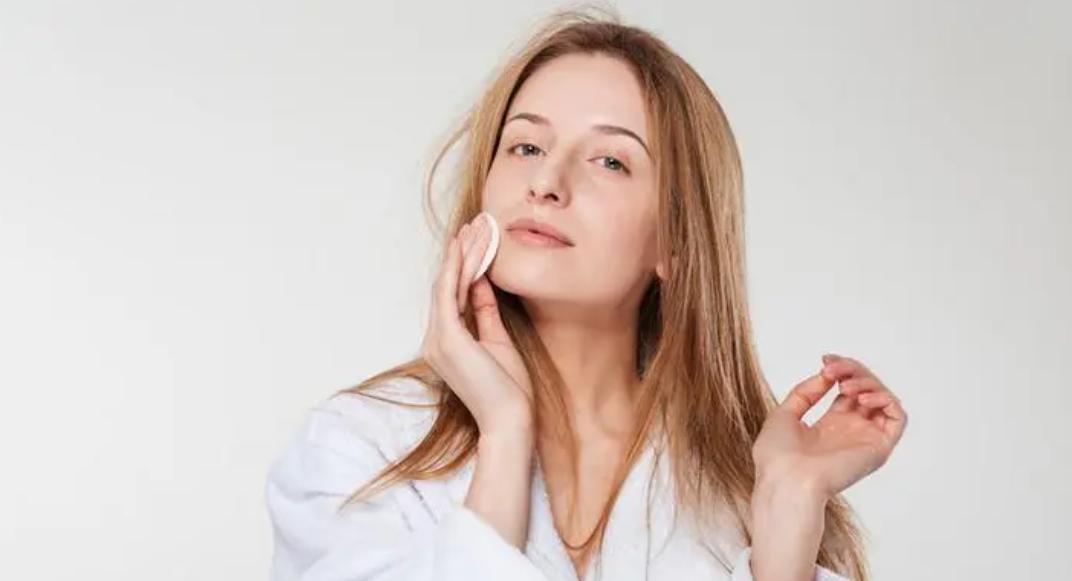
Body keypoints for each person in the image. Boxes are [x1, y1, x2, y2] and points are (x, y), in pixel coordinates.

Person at [265, 7, 907, 581]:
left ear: (675, 240)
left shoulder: (741, 493)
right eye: (525, 145)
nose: (546, 180)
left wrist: (788, 511)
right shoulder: (360, 448)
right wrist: (505, 438)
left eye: (610, 161)